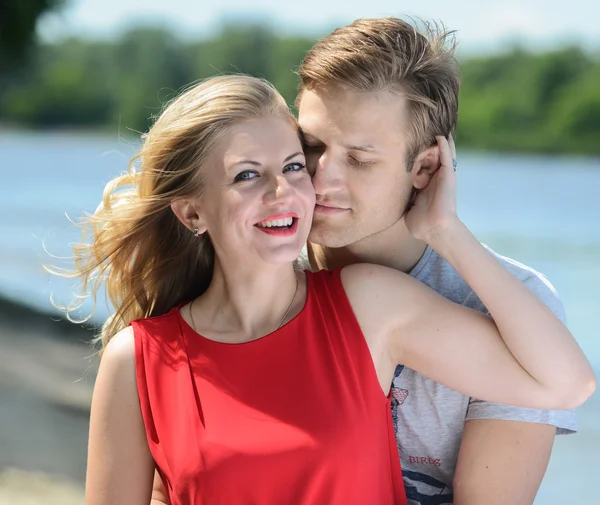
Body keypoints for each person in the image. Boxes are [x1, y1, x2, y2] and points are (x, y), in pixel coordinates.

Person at [73, 74, 594, 505]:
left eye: (294, 166)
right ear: (191, 211)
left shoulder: (369, 304)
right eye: (248, 175)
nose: (286, 192)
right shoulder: (137, 359)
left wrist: (445, 230)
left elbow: (566, 385)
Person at [293, 17, 586, 505]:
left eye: (360, 160)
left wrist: (445, 232)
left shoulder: (510, 308)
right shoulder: (256, 269)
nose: (321, 180)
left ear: (425, 167)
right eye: (311, 147)